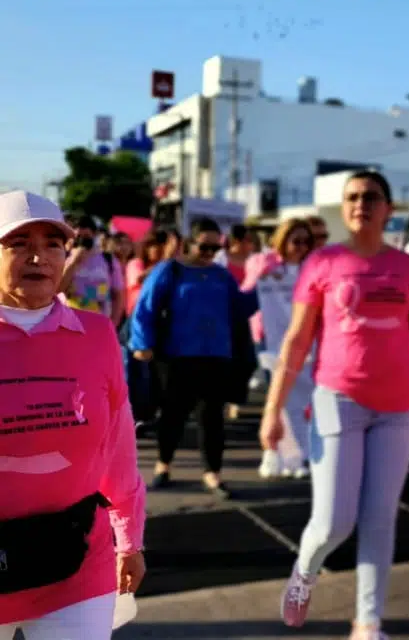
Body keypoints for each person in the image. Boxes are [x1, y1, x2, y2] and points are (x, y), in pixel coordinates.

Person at [259, 170, 409, 640]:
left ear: (388, 208)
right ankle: (304, 573)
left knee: (379, 518)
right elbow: (295, 341)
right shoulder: (323, 263)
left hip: (399, 409)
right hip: (338, 403)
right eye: (351, 197)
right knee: (333, 521)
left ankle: (367, 623)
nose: (360, 204)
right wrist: (273, 410)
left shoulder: (406, 267)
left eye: (371, 197)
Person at [0, 191, 146, 639]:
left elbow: (118, 448)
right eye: (19, 242)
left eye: (52, 244)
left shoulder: (97, 334)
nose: (38, 256)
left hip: (78, 562)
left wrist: (130, 538)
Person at [130, 217, 258, 499]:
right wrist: (142, 343)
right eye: (204, 247)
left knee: (212, 416)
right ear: (190, 243)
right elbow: (145, 308)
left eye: (215, 248)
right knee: (173, 414)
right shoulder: (169, 271)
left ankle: (213, 472)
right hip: (176, 356)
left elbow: (240, 308)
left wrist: (265, 283)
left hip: (216, 355)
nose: (210, 254)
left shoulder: (221, 275)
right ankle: (164, 464)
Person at [244, 218, 317, 479]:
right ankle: (287, 456)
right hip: (273, 343)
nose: (301, 247)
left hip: (310, 345)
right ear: (282, 241)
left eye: (306, 242)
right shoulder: (264, 265)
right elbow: (246, 294)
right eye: (295, 241)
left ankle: (303, 455)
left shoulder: (313, 268)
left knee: (307, 403)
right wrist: (260, 272)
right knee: (281, 403)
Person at [59, 213, 125, 327]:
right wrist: (74, 261)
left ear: (94, 235)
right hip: (69, 322)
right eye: (78, 237)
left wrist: (114, 322)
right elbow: (58, 289)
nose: (82, 241)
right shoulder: (64, 258)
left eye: (86, 237)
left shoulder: (108, 259)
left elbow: (118, 294)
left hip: (100, 322)